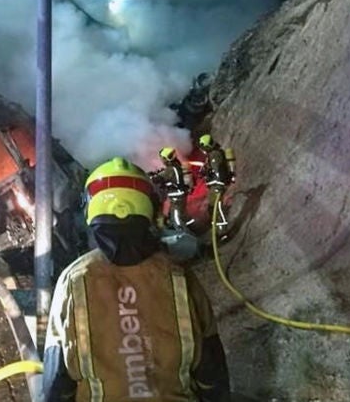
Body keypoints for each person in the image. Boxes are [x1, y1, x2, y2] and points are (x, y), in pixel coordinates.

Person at [43, 157, 231, 402]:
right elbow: (211, 371)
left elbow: (56, 381)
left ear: (90, 209)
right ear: (151, 209)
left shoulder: (73, 280)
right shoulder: (179, 275)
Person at [196, 134, 235, 236]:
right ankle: (217, 231)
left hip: (217, 185)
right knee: (212, 208)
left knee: (218, 208)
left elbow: (217, 171)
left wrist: (207, 173)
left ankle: (223, 232)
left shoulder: (214, 155)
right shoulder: (212, 155)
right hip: (214, 186)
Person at [151, 146, 194, 230]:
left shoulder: (171, 169)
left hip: (177, 197)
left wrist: (152, 176)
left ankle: (184, 235)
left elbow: (157, 179)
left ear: (166, 158)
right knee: (179, 214)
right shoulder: (176, 165)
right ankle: (192, 227)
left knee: (176, 219)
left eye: (162, 158)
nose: (162, 160)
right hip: (180, 196)